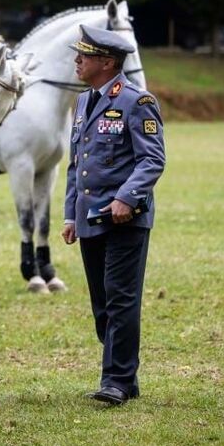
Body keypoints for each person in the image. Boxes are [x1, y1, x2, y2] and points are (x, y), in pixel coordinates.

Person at [61, 24, 165, 406]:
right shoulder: (83, 101)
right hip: (90, 218)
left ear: (106, 62)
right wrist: (71, 214)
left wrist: (127, 197)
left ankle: (117, 380)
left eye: (84, 56)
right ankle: (126, 375)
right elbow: (77, 163)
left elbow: (152, 159)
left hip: (125, 219)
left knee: (121, 299)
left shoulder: (137, 102)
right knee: (103, 304)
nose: (76, 61)